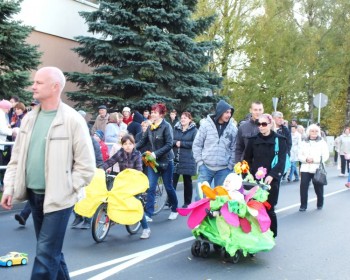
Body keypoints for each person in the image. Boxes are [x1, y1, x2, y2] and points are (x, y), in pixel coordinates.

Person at [1, 66, 95, 279]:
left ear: (55, 87)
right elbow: (16, 159)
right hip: (34, 196)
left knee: (45, 256)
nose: (33, 86)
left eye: (38, 83)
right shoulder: (29, 119)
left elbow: (87, 166)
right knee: (51, 253)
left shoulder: (72, 120)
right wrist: (10, 187)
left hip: (59, 199)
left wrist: (67, 187)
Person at [244, 113, 287, 238]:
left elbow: (281, 160)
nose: (261, 127)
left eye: (264, 124)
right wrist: (248, 174)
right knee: (253, 207)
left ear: (270, 124)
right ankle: (257, 233)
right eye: (259, 124)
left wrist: (272, 175)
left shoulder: (280, 140)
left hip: (271, 179)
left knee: (269, 207)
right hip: (254, 179)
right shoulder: (253, 140)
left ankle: (272, 234)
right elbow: (247, 159)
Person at [102, 133, 151, 239]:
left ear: (133, 145)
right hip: (123, 182)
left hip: (134, 183)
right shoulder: (120, 153)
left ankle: (146, 228)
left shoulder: (137, 155)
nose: (127, 146)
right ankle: (112, 220)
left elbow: (139, 170)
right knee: (113, 199)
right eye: (125, 144)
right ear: (122, 145)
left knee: (135, 204)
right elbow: (110, 161)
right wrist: (102, 169)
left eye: (130, 144)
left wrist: (134, 177)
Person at [136, 103, 179, 221]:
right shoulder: (150, 127)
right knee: (151, 187)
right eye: (152, 112)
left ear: (161, 114)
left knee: (168, 186)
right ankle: (149, 213)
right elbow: (142, 141)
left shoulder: (166, 126)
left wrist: (155, 153)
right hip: (153, 162)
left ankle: (175, 209)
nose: (152, 114)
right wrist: (130, 149)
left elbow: (169, 144)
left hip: (166, 161)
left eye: (155, 112)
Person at [192, 100, 237, 190]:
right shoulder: (206, 125)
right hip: (206, 168)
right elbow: (197, 144)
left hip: (224, 169)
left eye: (230, 113)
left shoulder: (233, 129)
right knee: (201, 198)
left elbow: (234, 148)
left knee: (221, 199)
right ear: (220, 112)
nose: (229, 115)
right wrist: (200, 162)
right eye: (226, 112)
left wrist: (230, 166)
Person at [298, 124, 329, 211]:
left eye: (316, 131)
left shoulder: (322, 142)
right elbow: (299, 154)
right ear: (309, 132)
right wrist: (306, 159)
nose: (314, 133)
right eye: (312, 131)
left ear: (318, 132)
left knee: (318, 188)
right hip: (305, 168)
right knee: (303, 187)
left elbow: (325, 156)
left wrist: (314, 159)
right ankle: (303, 205)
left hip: (317, 168)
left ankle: (320, 203)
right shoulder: (303, 142)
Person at [172, 112, 197, 208]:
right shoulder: (176, 129)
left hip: (188, 159)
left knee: (187, 182)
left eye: (185, 118)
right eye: (181, 118)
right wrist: (176, 142)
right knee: (172, 182)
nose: (182, 119)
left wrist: (181, 144)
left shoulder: (194, 130)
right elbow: (171, 140)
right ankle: (171, 201)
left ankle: (187, 202)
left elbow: (194, 143)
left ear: (190, 120)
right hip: (176, 159)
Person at [0, 99, 13, 190]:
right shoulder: (1, 115)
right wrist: (12, 132)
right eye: (8, 109)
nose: (8, 111)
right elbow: (2, 129)